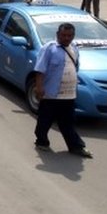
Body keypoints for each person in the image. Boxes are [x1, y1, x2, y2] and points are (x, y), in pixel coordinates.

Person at [33, 23, 92, 158]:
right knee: (45, 120)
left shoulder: (74, 49)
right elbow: (40, 69)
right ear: (58, 35)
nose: (66, 38)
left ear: (73, 36)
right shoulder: (49, 49)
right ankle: (41, 141)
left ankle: (75, 146)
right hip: (51, 94)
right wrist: (39, 87)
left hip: (69, 94)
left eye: (69, 36)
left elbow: (75, 68)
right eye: (63, 35)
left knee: (68, 122)